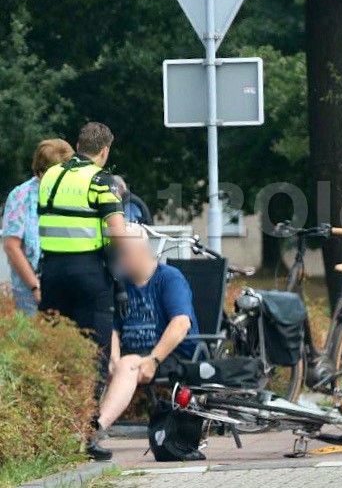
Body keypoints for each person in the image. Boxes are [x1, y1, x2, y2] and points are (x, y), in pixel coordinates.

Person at [89, 224, 199, 461]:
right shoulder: (121, 284)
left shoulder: (169, 279)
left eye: (122, 253)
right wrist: (113, 357)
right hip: (131, 355)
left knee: (128, 364)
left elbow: (181, 324)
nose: (118, 260)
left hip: (170, 354)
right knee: (102, 361)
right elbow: (114, 327)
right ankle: (79, 425)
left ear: (139, 251)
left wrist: (153, 359)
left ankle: (96, 429)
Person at [37, 123, 127, 390]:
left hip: (51, 273)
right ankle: (89, 424)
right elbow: (118, 235)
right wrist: (120, 278)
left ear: (77, 147)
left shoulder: (51, 175)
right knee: (95, 352)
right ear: (104, 151)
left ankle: (57, 417)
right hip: (89, 274)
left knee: (55, 351)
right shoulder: (101, 180)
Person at [2, 139, 74, 314]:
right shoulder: (21, 196)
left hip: (69, 285)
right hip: (31, 290)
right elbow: (11, 247)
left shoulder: (72, 194)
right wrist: (35, 287)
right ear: (40, 172)